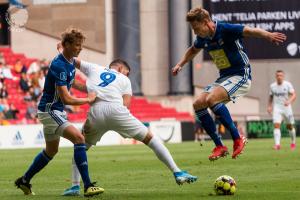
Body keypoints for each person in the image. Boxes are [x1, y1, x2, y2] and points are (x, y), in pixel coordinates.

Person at [62, 58, 197, 196]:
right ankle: (177, 172)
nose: (127, 75)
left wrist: (66, 75)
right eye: (127, 72)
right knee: (150, 139)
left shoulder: (94, 68)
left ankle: (75, 187)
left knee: (80, 146)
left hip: (96, 112)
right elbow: (126, 105)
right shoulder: (124, 80)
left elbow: (72, 60)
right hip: (117, 111)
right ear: (120, 68)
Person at [171, 7, 287, 160]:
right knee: (198, 103)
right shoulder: (203, 37)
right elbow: (193, 50)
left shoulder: (225, 29)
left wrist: (268, 35)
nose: (195, 32)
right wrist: (180, 64)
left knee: (211, 99)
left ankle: (238, 138)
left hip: (241, 75)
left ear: (206, 22)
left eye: (196, 28)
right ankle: (220, 145)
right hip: (224, 78)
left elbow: (250, 31)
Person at [15, 28, 104, 197]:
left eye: (81, 45)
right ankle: (87, 186)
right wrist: (88, 99)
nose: (80, 48)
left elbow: (62, 55)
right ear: (68, 45)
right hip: (50, 110)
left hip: (51, 110)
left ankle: (24, 180)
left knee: (51, 151)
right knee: (79, 139)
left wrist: (88, 89)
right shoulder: (59, 66)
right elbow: (67, 99)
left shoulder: (68, 58)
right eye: (77, 45)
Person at [267, 70, 296, 150]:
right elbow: (271, 97)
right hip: (277, 108)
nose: (279, 77)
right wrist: (269, 106)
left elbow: (294, 95)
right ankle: (277, 145)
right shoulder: (272, 86)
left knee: (290, 127)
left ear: (283, 76)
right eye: (278, 75)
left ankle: (293, 142)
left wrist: (289, 101)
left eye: (281, 75)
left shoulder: (287, 85)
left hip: (287, 108)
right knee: (276, 125)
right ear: (276, 77)